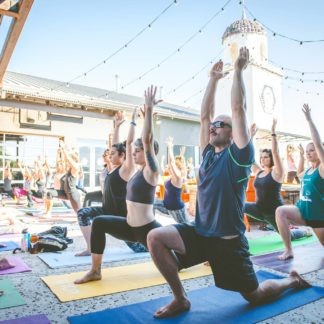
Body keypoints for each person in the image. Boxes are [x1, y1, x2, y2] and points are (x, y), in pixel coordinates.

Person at [147, 49, 310, 319]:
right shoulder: (209, 154)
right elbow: (204, 116)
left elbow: (237, 108)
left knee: (254, 296)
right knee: (155, 238)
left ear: (234, 133)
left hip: (228, 244)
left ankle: (291, 281)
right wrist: (212, 80)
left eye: (220, 125)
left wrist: (238, 70)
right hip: (201, 234)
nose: (213, 127)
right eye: (213, 125)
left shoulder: (239, 157)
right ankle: (180, 299)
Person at [74, 85, 162, 284]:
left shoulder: (150, 171)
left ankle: (203, 254)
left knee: (177, 261)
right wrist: (118, 127)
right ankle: (95, 270)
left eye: (138, 151)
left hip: (146, 229)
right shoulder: (133, 171)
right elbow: (124, 145)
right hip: (129, 225)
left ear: (148, 153)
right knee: (99, 222)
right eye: (134, 150)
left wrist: (146, 113)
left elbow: (143, 140)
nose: (133, 152)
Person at [245, 121, 311, 240]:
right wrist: (250, 136)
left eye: (266, 157)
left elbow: (275, 152)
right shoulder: (258, 172)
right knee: (237, 204)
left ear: (271, 159)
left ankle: (304, 232)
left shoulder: (277, 173)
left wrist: (273, 132)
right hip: (258, 209)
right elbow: (248, 157)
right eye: (262, 157)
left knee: (289, 237)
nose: (263, 159)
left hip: (273, 213)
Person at [276, 104, 324, 260]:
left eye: (312, 150)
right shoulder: (309, 171)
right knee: (280, 211)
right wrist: (302, 156)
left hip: (319, 217)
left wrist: (309, 120)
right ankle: (288, 250)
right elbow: (299, 173)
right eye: (308, 150)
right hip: (302, 212)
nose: (310, 152)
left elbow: (318, 143)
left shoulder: (322, 169)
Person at [160, 136, 189, 223]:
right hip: (166, 206)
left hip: (177, 209)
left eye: (172, 168)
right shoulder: (171, 177)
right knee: (151, 204)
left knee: (186, 227)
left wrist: (170, 148)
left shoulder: (179, 177)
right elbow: (170, 163)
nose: (169, 168)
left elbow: (172, 163)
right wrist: (170, 150)